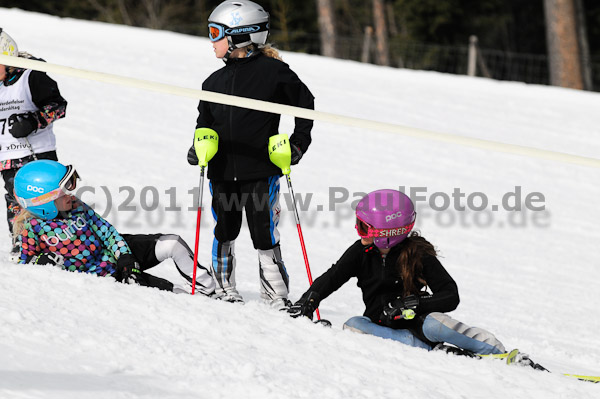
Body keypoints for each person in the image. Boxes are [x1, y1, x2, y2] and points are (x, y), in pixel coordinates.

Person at [288, 189, 543, 367]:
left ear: (389, 232)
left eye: (364, 226)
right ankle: (427, 350)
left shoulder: (418, 254)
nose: (358, 230)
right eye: (359, 223)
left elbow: (450, 294)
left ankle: (500, 353)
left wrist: (415, 305)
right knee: (354, 325)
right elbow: (333, 276)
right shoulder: (361, 251)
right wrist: (309, 300)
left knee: (436, 324)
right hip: (384, 326)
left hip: (419, 323)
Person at [187, 0, 314, 309]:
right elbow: (205, 121)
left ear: (240, 36)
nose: (212, 41)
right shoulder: (212, 82)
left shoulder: (273, 73)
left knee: (263, 229)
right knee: (225, 227)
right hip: (221, 168)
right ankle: (224, 286)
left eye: (216, 33)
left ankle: (275, 293)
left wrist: (298, 143)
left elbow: (305, 104)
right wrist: (197, 146)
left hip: (260, 168)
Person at [12, 160, 216, 295]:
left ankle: (210, 290)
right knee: (175, 294)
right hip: (107, 278)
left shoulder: (76, 207)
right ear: (43, 202)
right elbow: (24, 268)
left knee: (172, 243)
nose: (72, 194)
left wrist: (124, 257)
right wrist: (39, 262)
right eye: (65, 191)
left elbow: (106, 231)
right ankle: (198, 299)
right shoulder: (32, 230)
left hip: (118, 254)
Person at [0, 28, 67, 247]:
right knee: (16, 202)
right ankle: (23, 246)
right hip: (7, 158)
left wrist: (33, 121)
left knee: (45, 202)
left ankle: (61, 243)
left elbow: (58, 106)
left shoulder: (31, 74)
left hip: (36, 155)